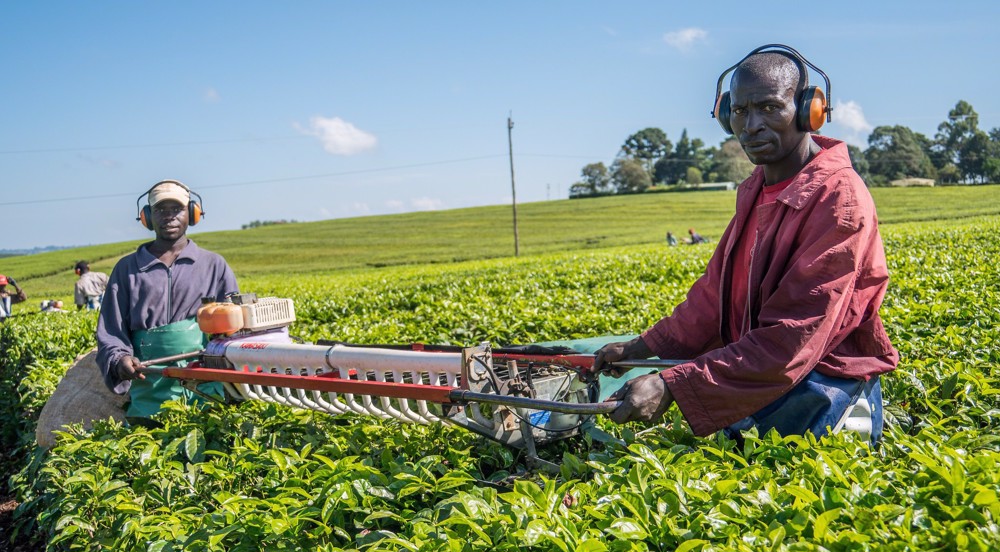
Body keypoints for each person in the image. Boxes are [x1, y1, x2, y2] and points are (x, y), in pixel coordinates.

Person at [593, 45, 897, 447]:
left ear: (810, 110)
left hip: (822, 393)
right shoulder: (757, 189)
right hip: (761, 385)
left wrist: (672, 386)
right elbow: (711, 299)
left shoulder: (838, 200)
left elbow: (792, 339)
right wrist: (641, 347)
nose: (751, 125)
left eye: (770, 108)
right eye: (740, 111)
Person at [97, 179, 239, 422]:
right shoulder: (128, 269)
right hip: (148, 386)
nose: (169, 216)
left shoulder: (213, 265)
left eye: (177, 209)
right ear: (147, 217)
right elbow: (112, 329)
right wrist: (120, 359)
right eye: (160, 210)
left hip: (204, 388)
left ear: (192, 213)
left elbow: (234, 328)